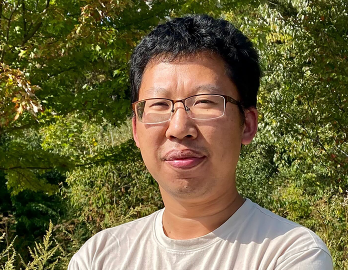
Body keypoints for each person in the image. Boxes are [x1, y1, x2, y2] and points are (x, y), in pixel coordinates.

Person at [68, 14, 333, 270]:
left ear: (248, 125)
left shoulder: (289, 254)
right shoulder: (98, 258)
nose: (179, 128)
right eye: (159, 105)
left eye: (205, 102)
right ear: (136, 129)